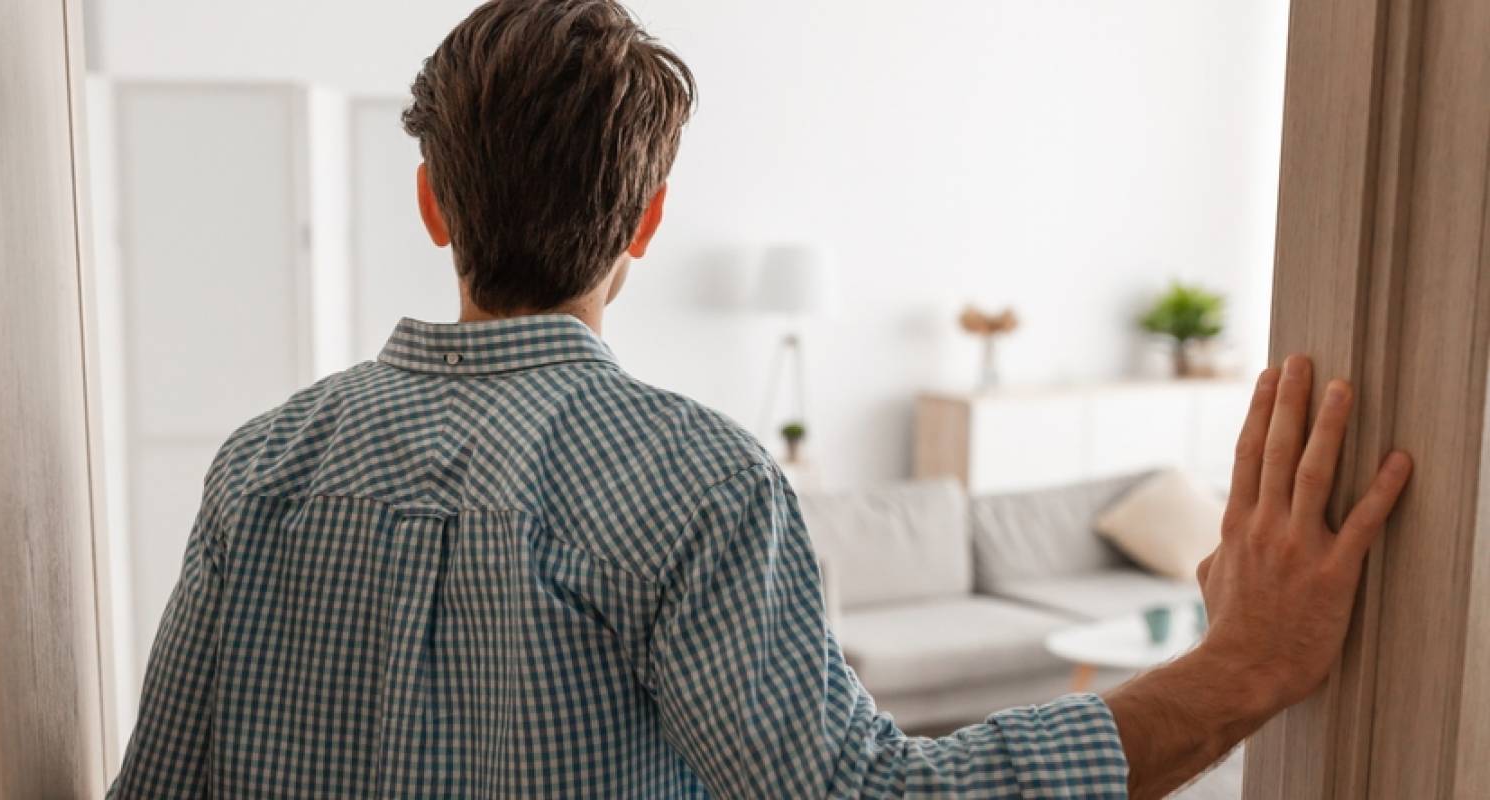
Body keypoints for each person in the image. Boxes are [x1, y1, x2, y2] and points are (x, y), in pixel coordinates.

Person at [108, 1, 1414, 796]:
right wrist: (1242, 668)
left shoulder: (261, 468)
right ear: (650, 220)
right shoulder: (695, 483)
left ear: (430, 200)